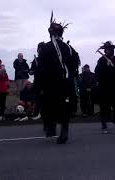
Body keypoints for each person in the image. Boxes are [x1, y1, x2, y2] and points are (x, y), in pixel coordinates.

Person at [36, 11, 81, 144]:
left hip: (51, 83)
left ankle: (51, 127)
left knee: (48, 104)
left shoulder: (45, 48)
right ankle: (63, 130)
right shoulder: (69, 47)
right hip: (66, 83)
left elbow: (41, 69)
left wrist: (38, 85)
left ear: (50, 33)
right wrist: (71, 76)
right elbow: (75, 63)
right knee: (64, 105)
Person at [95, 41, 115, 133]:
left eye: (112, 49)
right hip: (105, 86)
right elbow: (97, 72)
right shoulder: (101, 60)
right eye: (108, 49)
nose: (111, 51)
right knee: (104, 105)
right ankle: (103, 122)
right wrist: (105, 67)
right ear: (105, 51)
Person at [29, 42, 45, 121]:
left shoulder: (47, 59)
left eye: (41, 49)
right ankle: (37, 113)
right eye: (39, 49)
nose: (40, 50)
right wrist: (32, 71)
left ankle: (44, 113)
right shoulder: (35, 60)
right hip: (37, 82)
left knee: (44, 98)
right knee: (37, 98)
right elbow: (31, 71)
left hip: (45, 82)